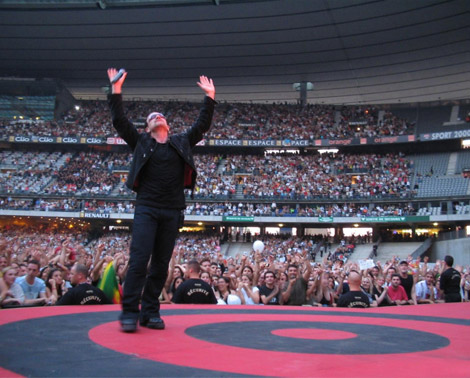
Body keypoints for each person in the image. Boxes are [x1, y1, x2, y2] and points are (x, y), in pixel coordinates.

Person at [106, 68, 216, 332]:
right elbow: (120, 121)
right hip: (147, 208)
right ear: (148, 127)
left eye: (160, 115)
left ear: (166, 124)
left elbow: (202, 125)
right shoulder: (142, 142)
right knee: (138, 261)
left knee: (160, 266)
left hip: (173, 210)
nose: (158, 117)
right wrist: (116, 89)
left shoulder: (180, 142)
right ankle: (130, 312)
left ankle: (150, 311)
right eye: (152, 117)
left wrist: (210, 97)